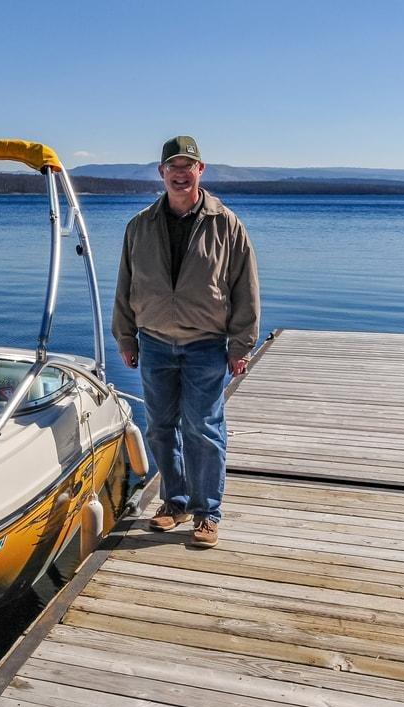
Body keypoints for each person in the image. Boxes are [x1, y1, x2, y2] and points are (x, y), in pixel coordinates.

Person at [112, 135, 260, 548]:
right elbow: (125, 286)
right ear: (162, 173)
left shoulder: (225, 223)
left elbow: (245, 289)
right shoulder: (140, 225)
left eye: (187, 167)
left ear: (200, 170)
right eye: (172, 168)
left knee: (204, 429)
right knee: (160, 428)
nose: (180, 174)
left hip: (205, 345)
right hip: (155, 342)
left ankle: (207, 512)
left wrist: (241, 346)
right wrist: (126, 336)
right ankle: (173, 502)